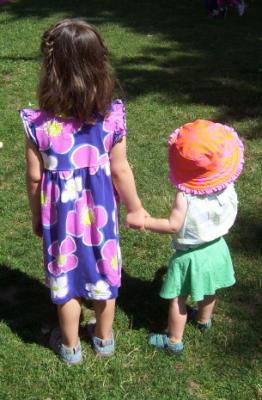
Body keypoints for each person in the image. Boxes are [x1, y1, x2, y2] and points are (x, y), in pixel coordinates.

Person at [19, 19, 147, 364]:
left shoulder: (38, 125)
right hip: (101, 218)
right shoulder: (111, 118)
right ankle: (104, 340)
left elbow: (34, 179)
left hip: (59, 219)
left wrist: (36, 218)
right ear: (99, 67)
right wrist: (134, 208)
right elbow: (120, 169)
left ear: (50, 70)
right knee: (105, 273)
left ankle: (71, 347)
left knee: (64, 278)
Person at [127, 119, 244, 354]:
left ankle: (174, 341)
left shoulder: (185, 197)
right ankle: (203, 320)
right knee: (210, 289)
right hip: (217, 247)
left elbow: (172, 225)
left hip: (190, 257)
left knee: (178, 299)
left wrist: (145, 222)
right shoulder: (227, 186)